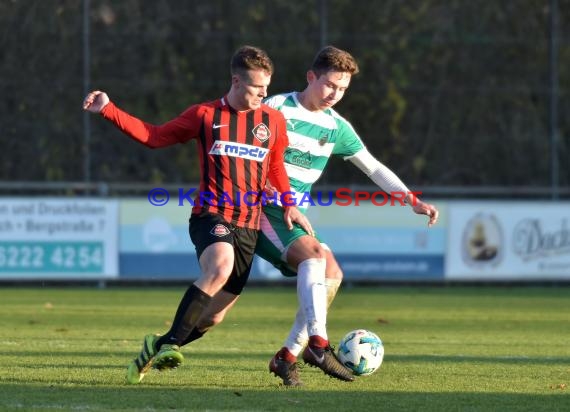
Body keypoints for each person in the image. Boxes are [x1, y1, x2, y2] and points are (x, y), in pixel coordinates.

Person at [181, 45, 439, 386]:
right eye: (330, 84)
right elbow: (238, 142)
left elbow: (373, 168)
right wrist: (261, 183)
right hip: (258, 210)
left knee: (326, 274)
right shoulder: (275, 108)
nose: (335, 94)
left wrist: (411, 200)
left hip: (290, 216)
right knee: (316, 257)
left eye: (343, 89)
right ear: (311, 76)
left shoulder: (336, 127)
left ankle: (283, 355)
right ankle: (318, 344)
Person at [82, 45, 314, 385]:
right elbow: (155, 137)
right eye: (256, 89)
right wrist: (109, 109)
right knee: (219, 265)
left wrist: (288, 202)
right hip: (211, 215)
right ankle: (173, 344)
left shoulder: (272, 120)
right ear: (236, 81)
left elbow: (275, 164)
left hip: (248, 224)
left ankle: (156, 346)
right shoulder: (205, 115)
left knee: (214, 317)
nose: (263, 95)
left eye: (266, 88)